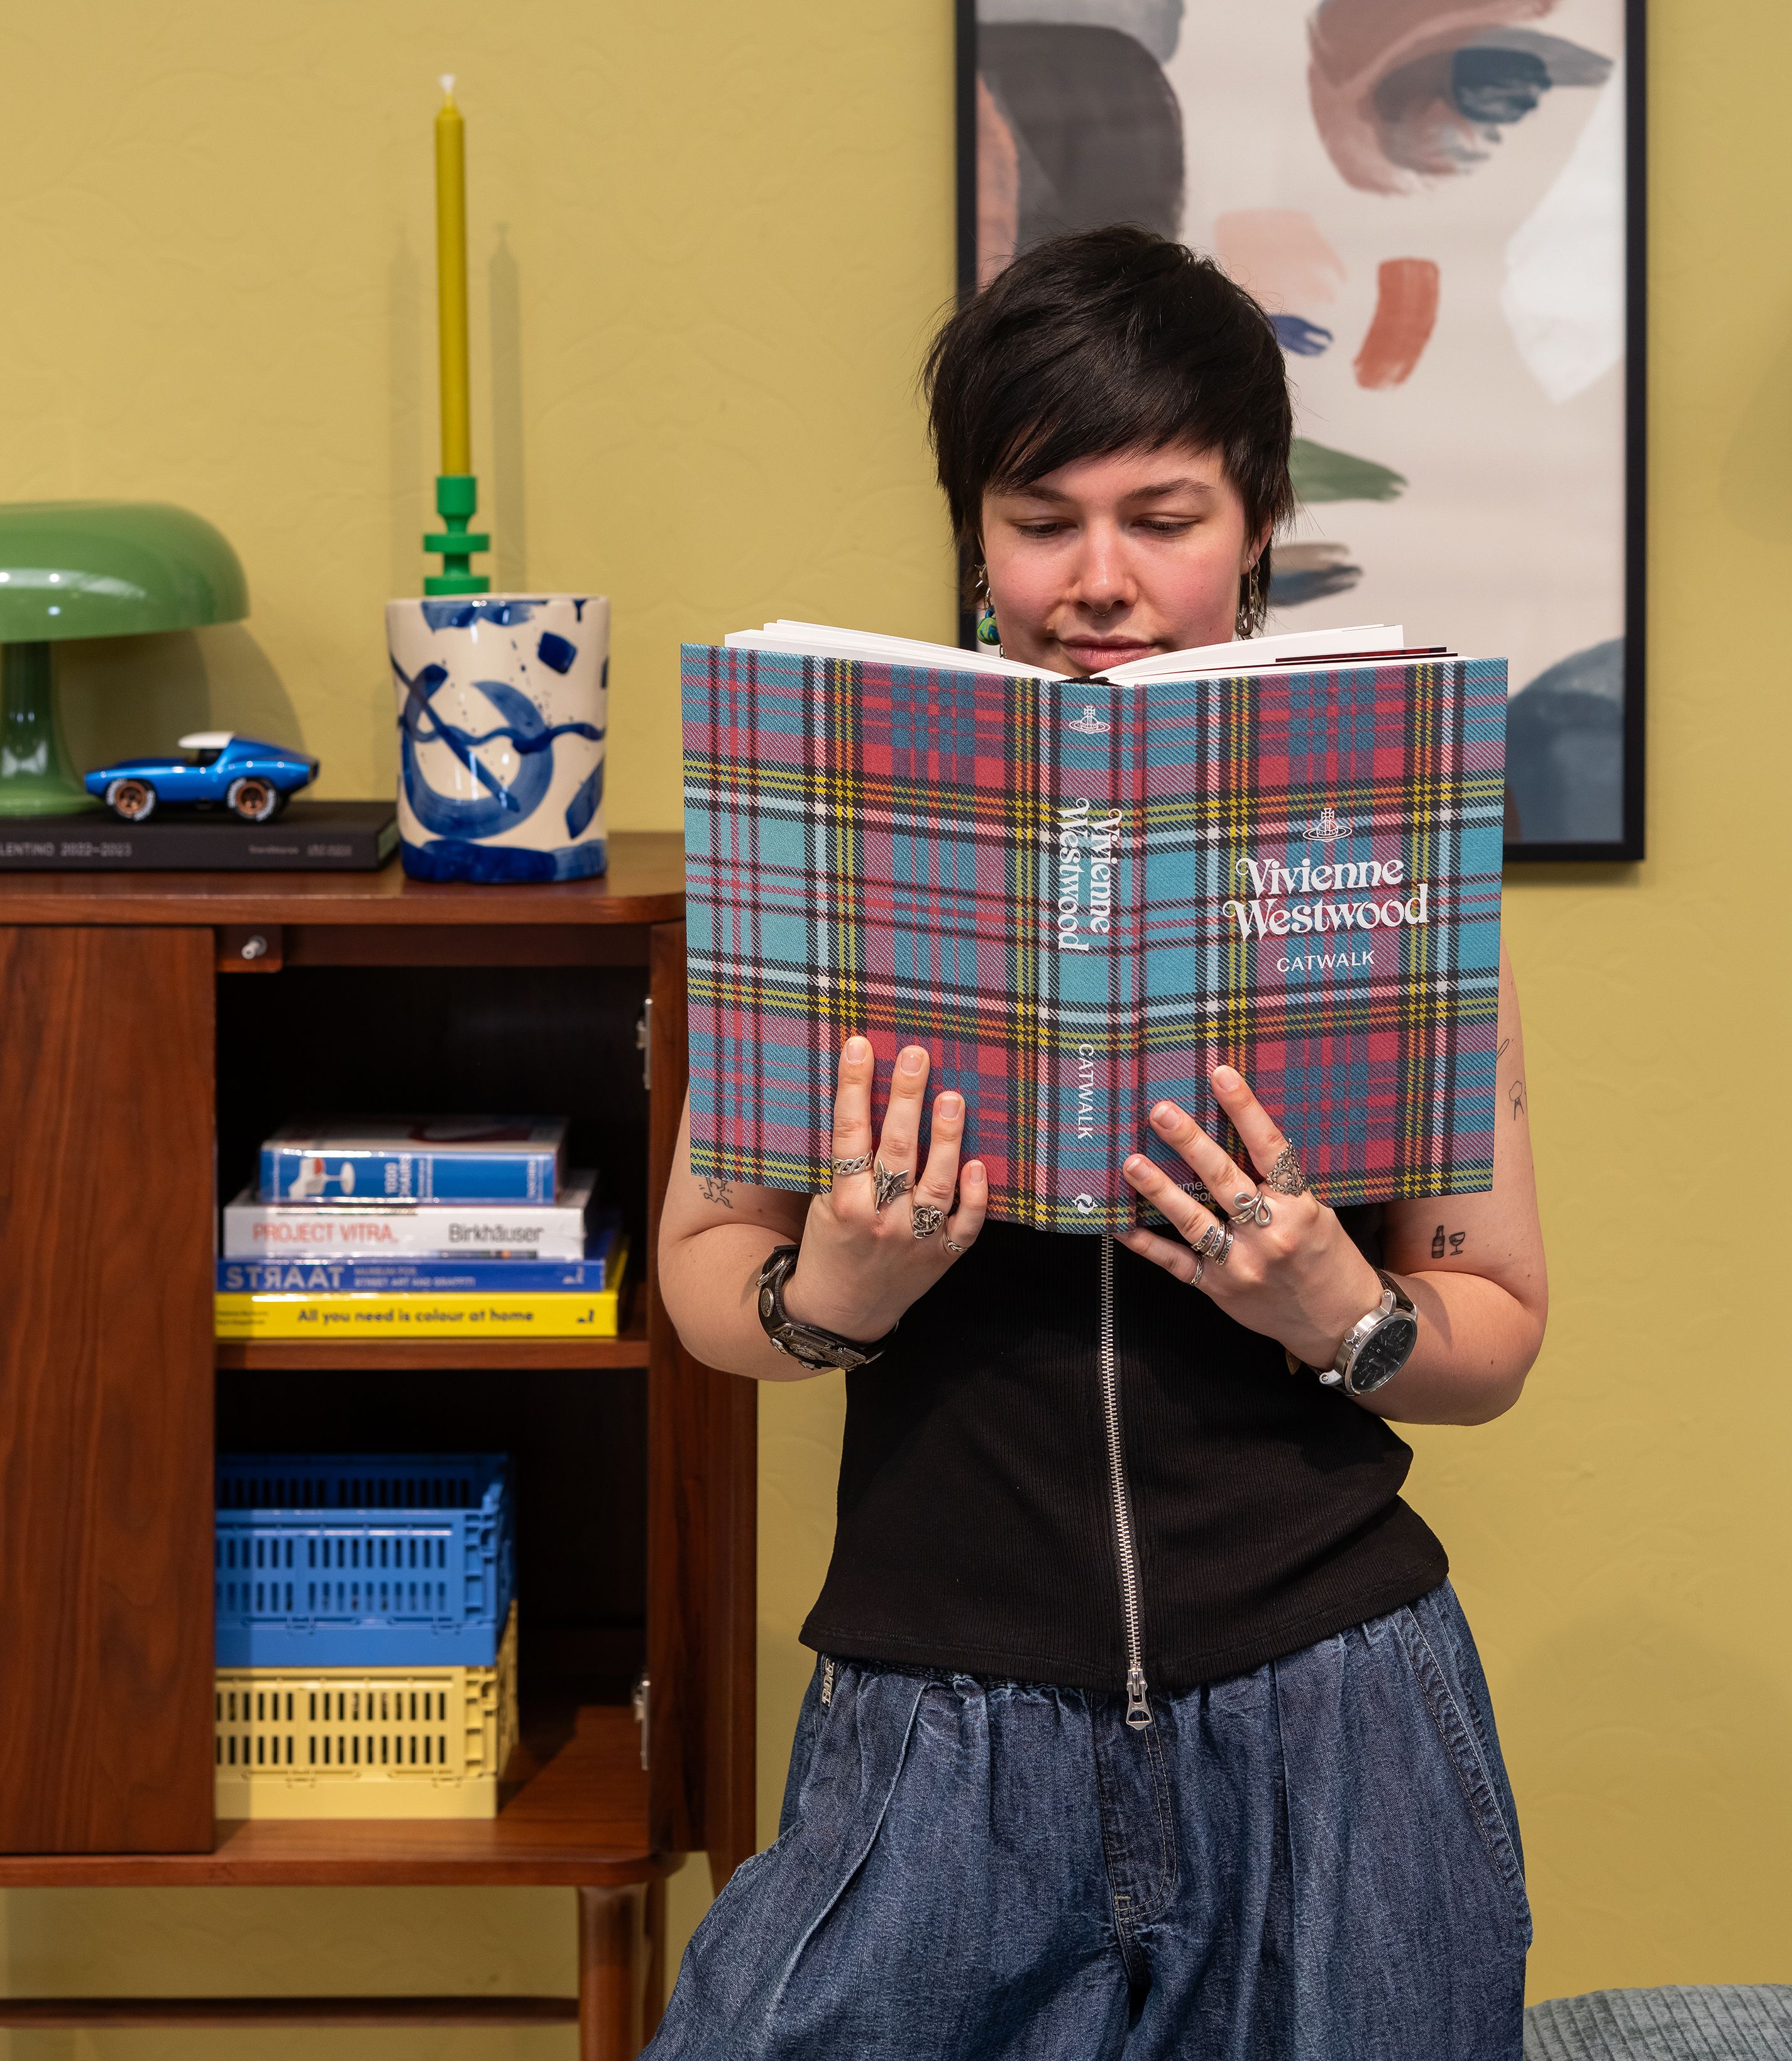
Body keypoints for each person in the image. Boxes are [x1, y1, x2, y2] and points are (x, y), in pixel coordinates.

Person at [652, 226, 1548, 2061]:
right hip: (935, 1718)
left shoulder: (1381, 827)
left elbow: (1498, 1330)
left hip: (1336, 1716)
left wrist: (1338, 1309)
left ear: (1259, 521)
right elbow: (702, 1276)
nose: (1101, 580)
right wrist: (840, 1292)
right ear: (974, 538)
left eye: (1165, 516)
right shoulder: (835, 813)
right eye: (1041, 520)